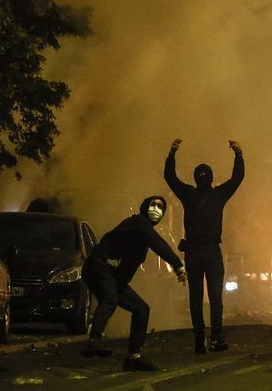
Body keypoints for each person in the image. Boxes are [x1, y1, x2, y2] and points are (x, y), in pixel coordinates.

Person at [80, 195, 186, 371]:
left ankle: (133, 358)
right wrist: (177, 265)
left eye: (161, 207)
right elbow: (159, 244)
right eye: (153, 205)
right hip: (99, 267)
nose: (156, 210)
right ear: (145, 207)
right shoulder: (138, 222)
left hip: (113, 277)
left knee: (141, 309)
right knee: (110, 299)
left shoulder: (143, 233)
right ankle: (94, 340)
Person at [164, 138, 244, 354]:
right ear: (210, 179)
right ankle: (216, 338)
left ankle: (199, 340)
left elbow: (170, 178)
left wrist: (172, 153)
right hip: (211, 252)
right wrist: (238, 154)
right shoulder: (218, 195)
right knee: (216, 298)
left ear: (196, 179)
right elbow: (237, 178)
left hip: (193, 252)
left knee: (196, 297)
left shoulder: (188, 194)